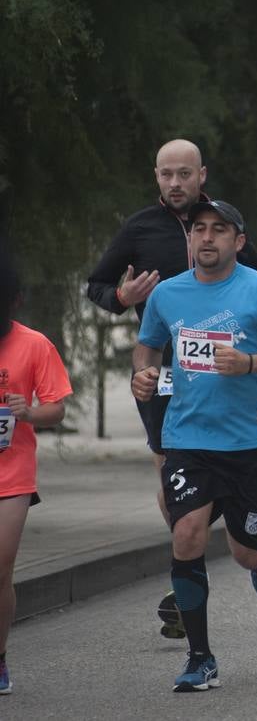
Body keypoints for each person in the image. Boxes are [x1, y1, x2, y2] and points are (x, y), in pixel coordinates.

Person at [85, 139, 257, 639]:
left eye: (184, 174)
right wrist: (122, 296)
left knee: (228, 473)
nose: (175, 183)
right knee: (170, 471)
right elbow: (96, 287)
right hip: (167, 371)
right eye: (166, 175)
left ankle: (244, 532)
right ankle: (186, 565)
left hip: (231, 378)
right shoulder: (140, 228)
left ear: (201, 175)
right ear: (156, 178)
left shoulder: (222, 224)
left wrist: (254, 360)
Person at [130, 200, 257, 692]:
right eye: (199, 229)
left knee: (245, 555)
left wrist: (249, 364)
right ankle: (200, 657)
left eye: (219, 230)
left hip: (246, 443)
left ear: (238, 241)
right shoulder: (167, 295)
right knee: (187, 534)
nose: (207, 238)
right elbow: (148, 343)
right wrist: (143, 373)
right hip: (187, 440)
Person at [0, 249, 74, 697]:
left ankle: (0, 657)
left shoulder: (33, 345)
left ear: (15, 302)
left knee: (0, 567)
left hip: (12, 475)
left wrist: (28, 412)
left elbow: (58, 409)